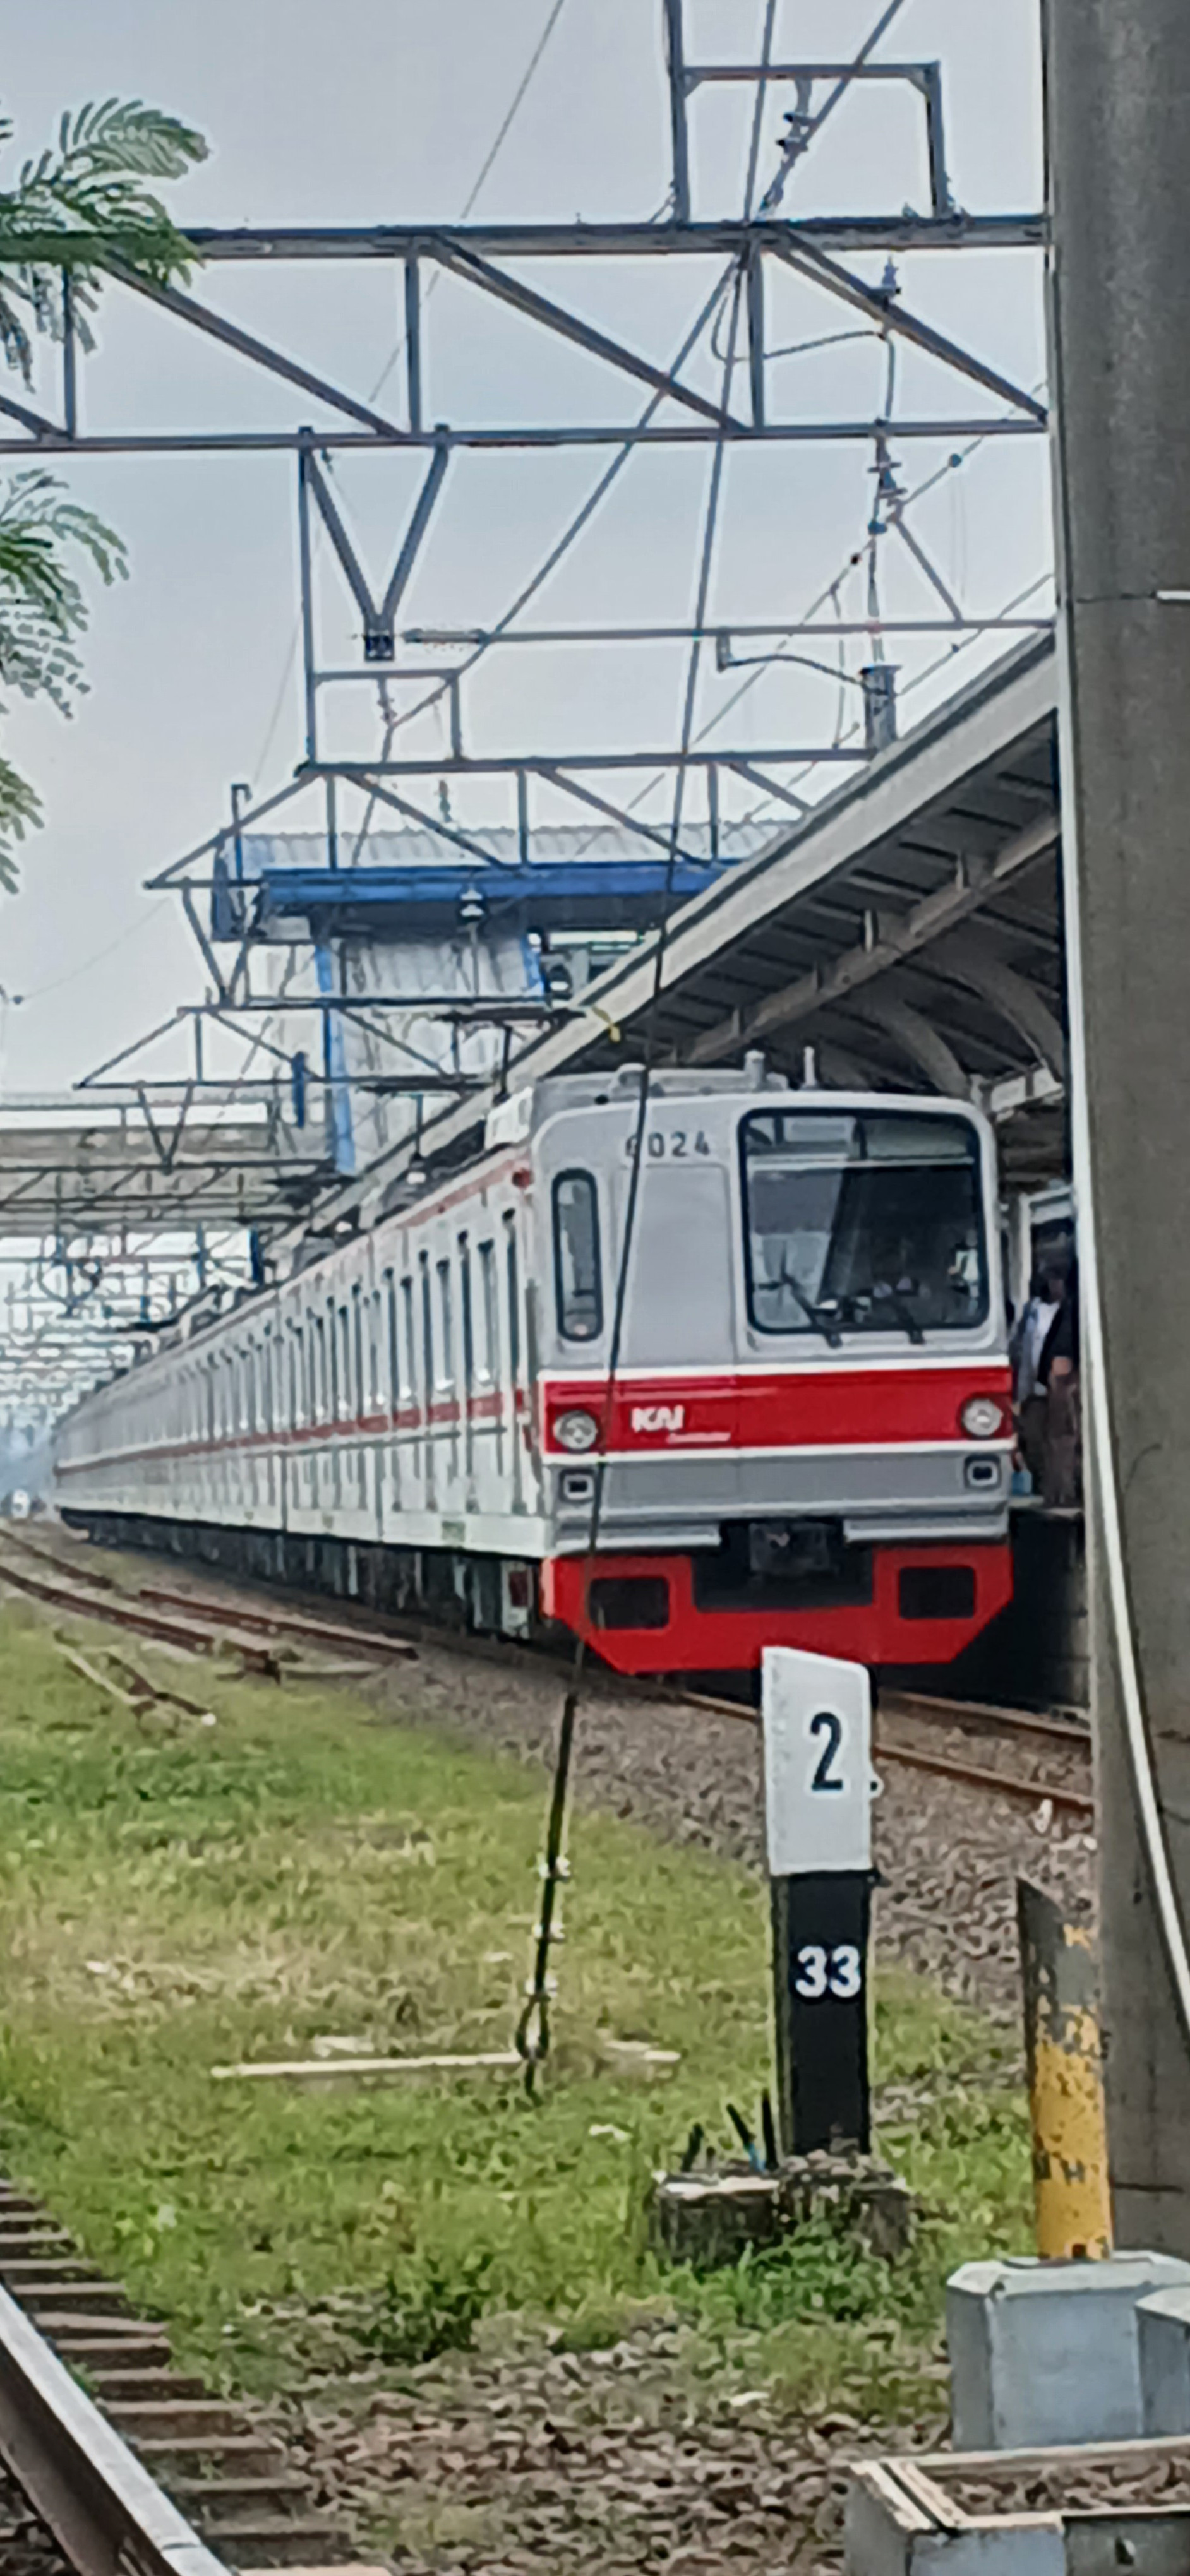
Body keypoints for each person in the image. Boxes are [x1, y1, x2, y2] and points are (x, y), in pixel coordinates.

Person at [1011, 1265, 1062, 1487]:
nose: (1054, 1285)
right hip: (1030, 1387)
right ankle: (1039, 1481)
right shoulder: (1033, 1309)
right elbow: (1019, 1346)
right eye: (1051, 1280)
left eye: (1057, 1280)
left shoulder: (1067, 1312)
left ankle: (1054, 1485)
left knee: (1055, 1437)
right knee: (1032, 1435)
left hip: (1053, 1385)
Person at [1036, 1258, 1081, 1508]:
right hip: (1063, 1379)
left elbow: (1059, 1350)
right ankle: (1060, 1493)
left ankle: (1059, 1493)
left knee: (1060, 1438)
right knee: (1062, 1439)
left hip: (1062, 1380)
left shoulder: (1069, 1309)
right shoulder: (1070, 1308)